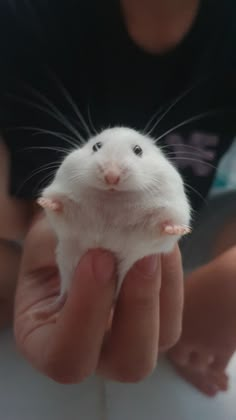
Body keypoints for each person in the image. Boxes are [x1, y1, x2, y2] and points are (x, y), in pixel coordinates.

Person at [0, 0, 236, 395]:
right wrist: (50, 216)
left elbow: (179, 218)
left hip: (185, 234)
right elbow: (29, 208)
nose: (112, 174)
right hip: (55, 234)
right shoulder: (25, 19)